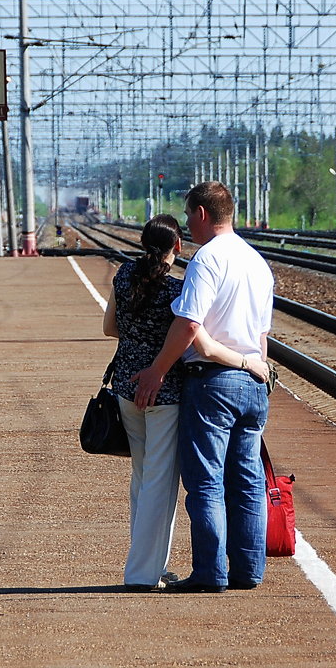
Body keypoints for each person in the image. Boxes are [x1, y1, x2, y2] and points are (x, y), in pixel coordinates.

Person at [103, 214, 268, 592]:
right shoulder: (176, 292)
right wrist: (249, 362)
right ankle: (143, 574)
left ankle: (152, 564)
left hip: (126, 387)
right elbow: (202, 343)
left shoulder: (124, 276)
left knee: (142, 479)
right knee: (161, 483)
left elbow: (110, 328)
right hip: (166, 392)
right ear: (177, 247)